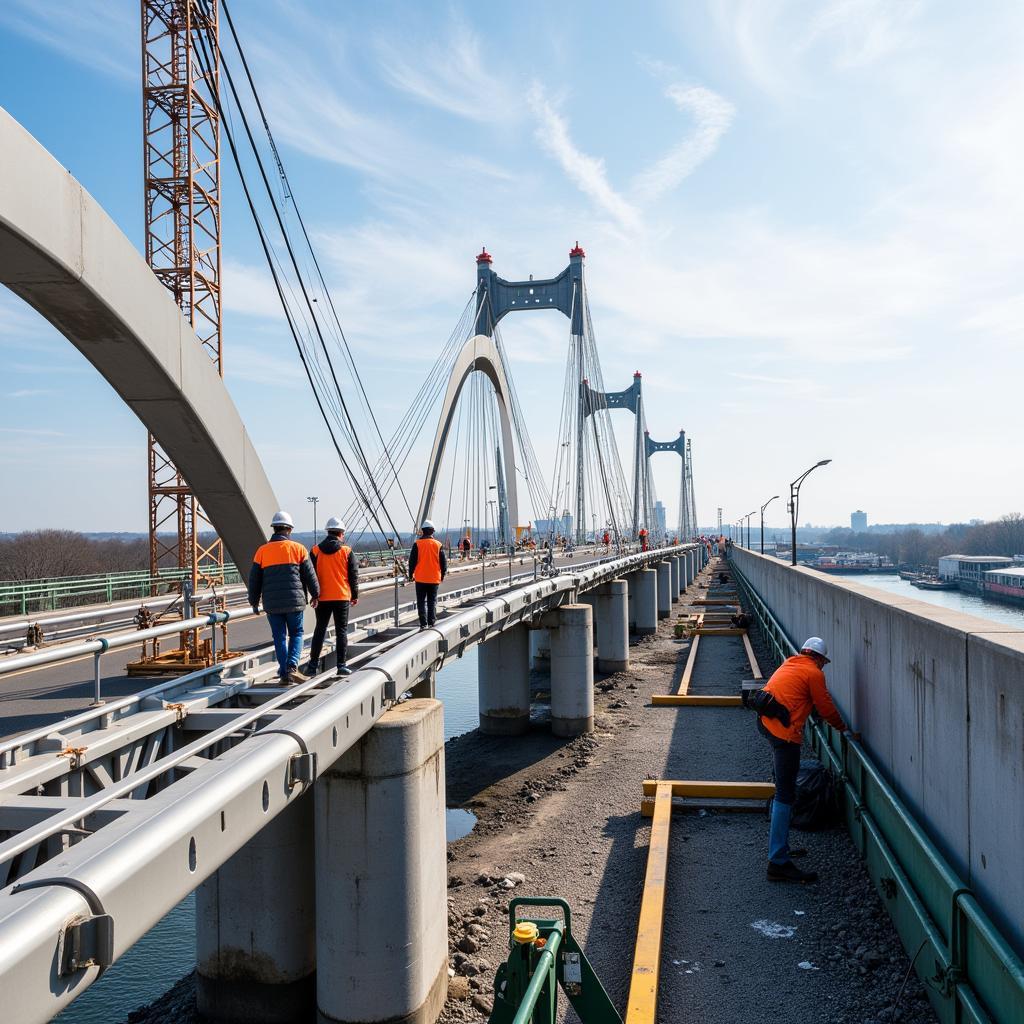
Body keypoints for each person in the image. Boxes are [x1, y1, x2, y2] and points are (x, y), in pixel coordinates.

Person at [757, 636, 858, 883]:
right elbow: (825, 708)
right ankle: (778, 862)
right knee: (785, 794)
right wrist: (844, 729)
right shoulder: (814, 673)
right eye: (823, 662)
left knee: (783, 787)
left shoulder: (791, 663)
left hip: (765, 724)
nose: (823, 666)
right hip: (785, 735)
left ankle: (780, 846)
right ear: (819, 658)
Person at [248, 510, 319, 683]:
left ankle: (284, 673)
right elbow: (310, 575)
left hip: (272, 604)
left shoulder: (262, 551)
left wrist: (254, 601)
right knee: (296, 633)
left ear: (274, 529)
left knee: (279, 636)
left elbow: (254, 580)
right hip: (294, 602)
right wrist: (315, 594)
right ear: (289, 530)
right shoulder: (298, 549)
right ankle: (291, 667)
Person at [306, 516, 359, 677]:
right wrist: (354, 595)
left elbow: (311, 575)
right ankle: (341, 665)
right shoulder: (347, 551)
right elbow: (353, 576)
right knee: (341, 631)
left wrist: (314, 595)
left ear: (328, 532)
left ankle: (312, 666)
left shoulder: (315, 550)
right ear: (341, 533)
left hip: (322, 597)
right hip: (342, 596)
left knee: (320, 630)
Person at [409, 519, 447, 629]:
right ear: (432, 531)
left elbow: (412, 561)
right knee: (432, 601)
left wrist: (410, 574)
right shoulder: (438, 545)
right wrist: (443, 575)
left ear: (422, 531)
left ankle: (423, 623)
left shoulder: (417, 544)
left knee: (421, 601)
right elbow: (443, 562)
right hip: (434, 578)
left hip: (420, 578)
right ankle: (431, 621)